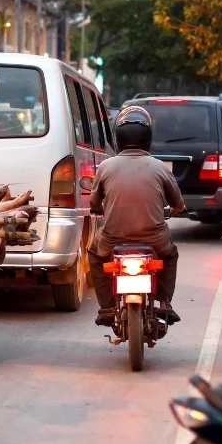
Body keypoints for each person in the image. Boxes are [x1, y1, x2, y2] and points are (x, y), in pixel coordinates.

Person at [88, 105, 185, 327]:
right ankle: (165, 303)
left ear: (118, 139)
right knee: (170, 255)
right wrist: (176, 210)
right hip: (154, 238)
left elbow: (94, 202)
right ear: (148, 139)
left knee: (94, 255)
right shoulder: (160, 167)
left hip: (112, 237)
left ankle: (107, 308)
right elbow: (178, 204)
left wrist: (98, 208)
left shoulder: (105, 166)